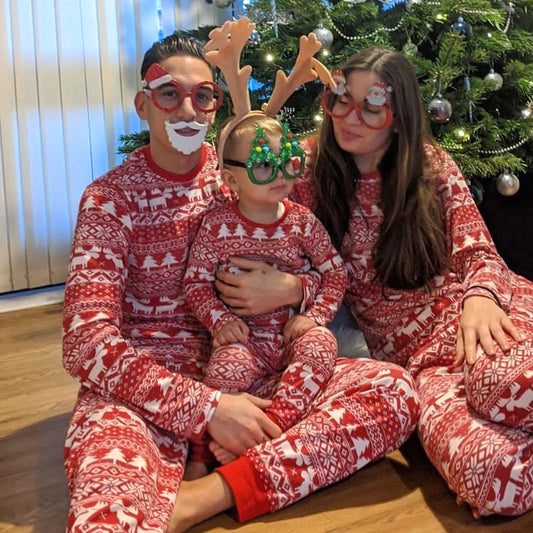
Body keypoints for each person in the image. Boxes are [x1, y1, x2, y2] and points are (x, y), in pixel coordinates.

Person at [62, 29, 419, 533]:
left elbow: (327, 264)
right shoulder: (109, 201)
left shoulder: (254, 169)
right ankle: (230, 466)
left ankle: (209, 494)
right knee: (107, 520)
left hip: (259, 369)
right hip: (144, 394)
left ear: (214, 107)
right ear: (144, 106)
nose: (187, 109)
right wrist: (205, 409)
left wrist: (295, 291)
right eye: (169, 94)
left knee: (394, 392)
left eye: (202, 95)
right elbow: (84, 342)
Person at [289, 45, 533, 518]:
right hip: (423, 368)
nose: (349, 116)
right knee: (493, 479)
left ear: (399, 119)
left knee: (500, 385)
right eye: (340, 99)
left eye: (372, 107)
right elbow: (240, 176)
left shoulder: (432, 166)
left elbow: (480, 253)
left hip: (489, 319)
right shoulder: (308, 172)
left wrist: (480, 299)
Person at [182, 113, 347, 475]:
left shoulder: (302, 221)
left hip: (291, 335)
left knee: (322, 344)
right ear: (230, 179)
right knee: (227, 367)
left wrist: (313, 316)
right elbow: (194, 283)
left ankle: (274, 425)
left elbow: (335, 272)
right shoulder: (217, 226)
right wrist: (220, 319)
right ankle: (200, 454)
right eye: (262, 165)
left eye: (287, 160)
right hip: (243, 341)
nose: (282, 175)